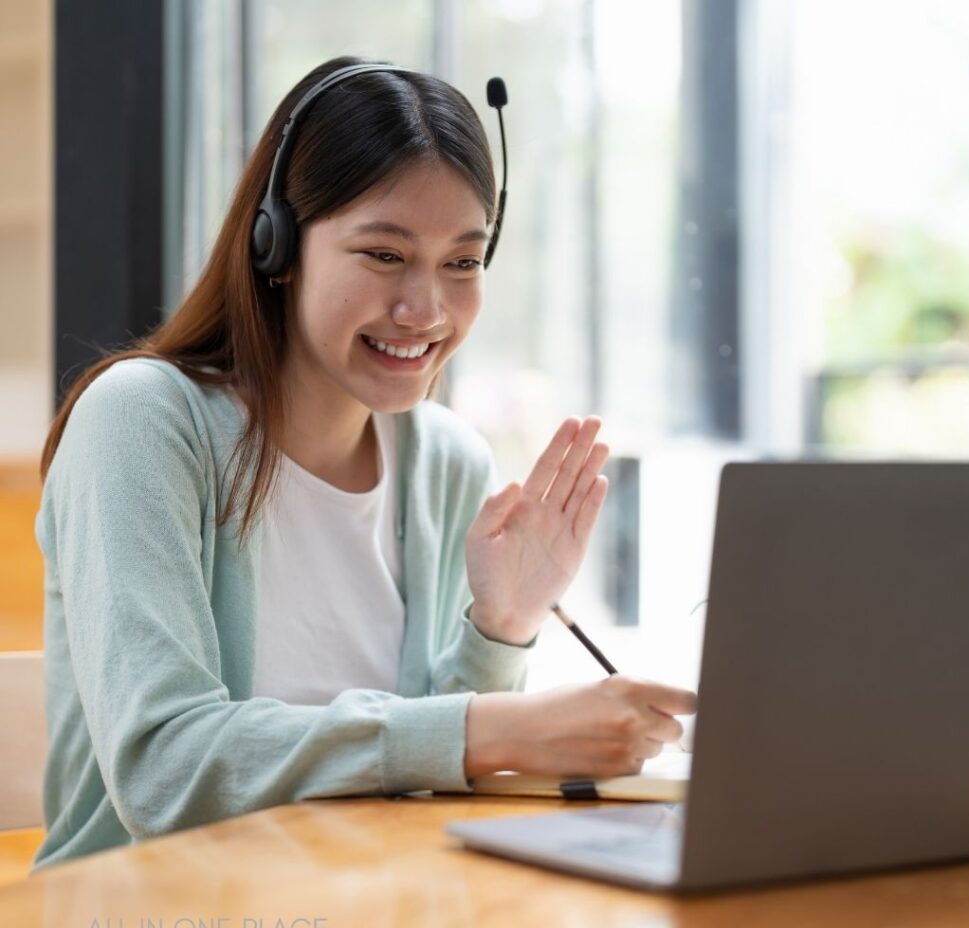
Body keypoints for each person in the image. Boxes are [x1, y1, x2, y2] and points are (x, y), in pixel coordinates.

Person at [31, 56, 695, 871]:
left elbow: (415, 780)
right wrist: (498, 729)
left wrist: (502, 624)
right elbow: (165, 772)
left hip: (369, 919)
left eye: (463, 261)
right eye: (385, 255)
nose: (427, 310)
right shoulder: (142, 421)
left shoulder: (443, 460)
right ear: (277, 244)